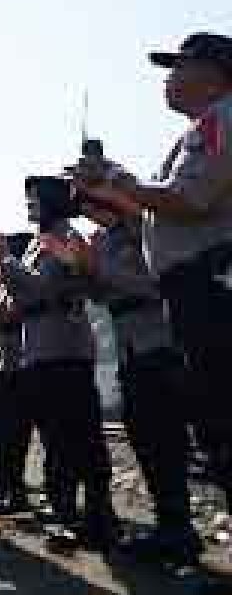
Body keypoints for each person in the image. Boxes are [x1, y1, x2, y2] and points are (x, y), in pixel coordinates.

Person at [72, 31, 232, 515]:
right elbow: (160, 211)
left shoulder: (221, 119)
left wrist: (120, 182)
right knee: (215, 424)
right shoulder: (203, 127)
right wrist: (116, 185)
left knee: (223, 419)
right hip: (197, 288)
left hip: (211, 286)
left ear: (212, 74)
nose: (169, 78)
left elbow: (188, 200)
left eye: (178, 67)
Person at [0, 177, 117, 551]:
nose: (29, 206)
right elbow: (25, 294)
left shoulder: (63, 237)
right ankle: (70, 515)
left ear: (53, 203)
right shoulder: (41, 243)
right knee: (59, 437)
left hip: (64, 349)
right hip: (42, 349)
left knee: (79, 436)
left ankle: (97, 518)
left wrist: (3, 261)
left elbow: (43, 288)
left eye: (35, 200)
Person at [77, 190, 202, 564]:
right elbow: (105, 293)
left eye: (89, 203)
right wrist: (85, 271)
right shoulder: (109, 240)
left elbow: (150, 283)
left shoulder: (138, 231)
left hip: (157, 344)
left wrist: (98, 267)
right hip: (130, 348)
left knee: (166, 440)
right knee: (145, 439)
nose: (86, 212)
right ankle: (169, 527)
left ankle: (180, 531)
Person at [0, 232, 35, 516]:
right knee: (1, 433)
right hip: (6, 367)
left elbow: (5, 316)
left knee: (14, 435)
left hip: (20, 367)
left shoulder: (20, 285)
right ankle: (4, 485)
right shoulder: (8, 285)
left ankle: (13, 490)